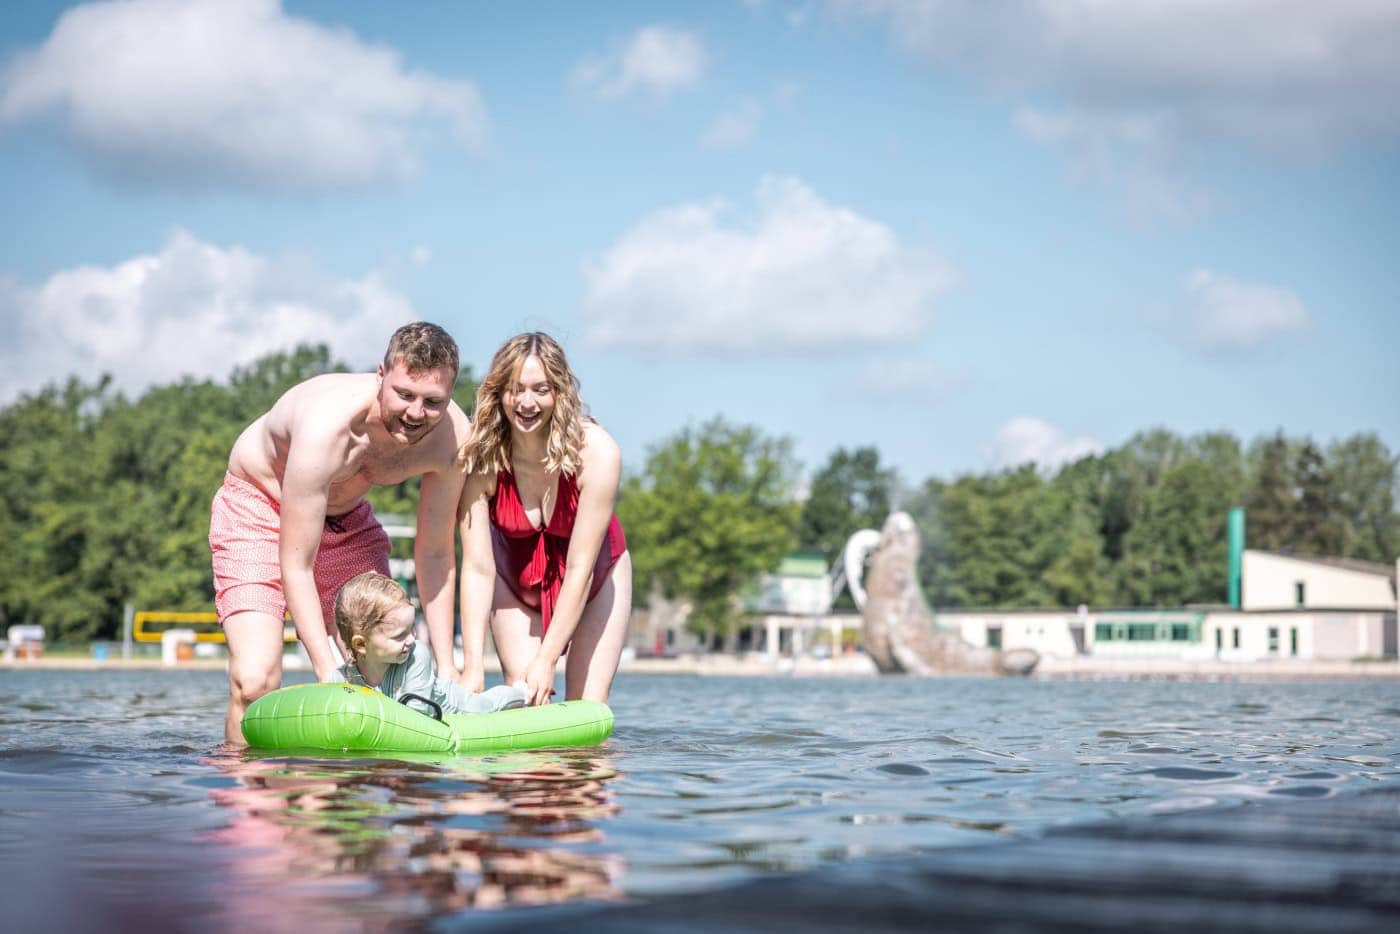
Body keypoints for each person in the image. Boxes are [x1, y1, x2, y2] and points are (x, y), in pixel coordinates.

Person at [210, 322, 469, 744]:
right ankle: (251, 800)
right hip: (257, 508)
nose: (415, 413)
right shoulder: (328, 428)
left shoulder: (452, 440)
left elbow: (437, 554)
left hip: (347, 521)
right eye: (404, 394)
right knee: (255, 679)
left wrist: (449, 663)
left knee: (379, 669)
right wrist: (327, 672)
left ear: (450, 396)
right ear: (381, 375)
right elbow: (297, 565)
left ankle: (353, 795)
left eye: (432, 401)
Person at [453, 332, 631, 707]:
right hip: (513, 582)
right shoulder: (481, 459)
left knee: (587, 711)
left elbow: (580, 568)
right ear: (499, 392)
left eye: (540, 389)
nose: (527, 402)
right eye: (515, 389)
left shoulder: (597, 453)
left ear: (559, 392)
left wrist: (547, 659)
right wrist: (471, 666)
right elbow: (478, 568)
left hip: (596, 578)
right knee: (525, 702)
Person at [334, 572, 525, 714]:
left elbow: (416, 716)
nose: (411, 639)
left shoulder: (417, 655)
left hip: (454, 704)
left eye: (412, 629)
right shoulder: (344, 677)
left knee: (486, 705)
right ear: (360, 645)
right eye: (399, 636)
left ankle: (521, 693)